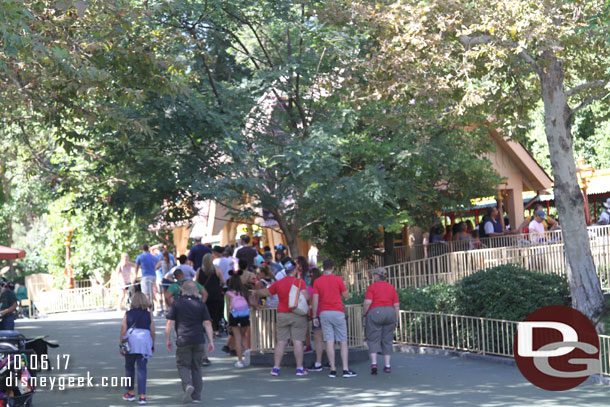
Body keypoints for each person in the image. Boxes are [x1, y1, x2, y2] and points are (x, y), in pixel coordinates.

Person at [252, 261, 310, 376]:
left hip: (282, 314)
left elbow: (267, 292)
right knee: (298, 341)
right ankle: (299, 368)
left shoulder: (279, 283)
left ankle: (276, 368)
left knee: (281, 342)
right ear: (294, 270)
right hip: (297, 314)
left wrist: (254, 291)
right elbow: (306, 296)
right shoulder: (299, 282)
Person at [165, 281, 214, 404]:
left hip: (183, 338)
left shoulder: (177, 304)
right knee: (197, 367)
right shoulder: (201, 305)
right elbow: (207, 323)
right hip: (198, 339)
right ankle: (197, 396)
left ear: (182, 291)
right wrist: (211, 341)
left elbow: (170, 322)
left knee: (183, 365)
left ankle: (187, 385)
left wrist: (168, 339)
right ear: (196, 291)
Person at [312, 259, 357, 378]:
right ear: (333, 267)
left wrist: (314, 316)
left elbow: (315, 299)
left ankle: (332, 369)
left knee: (329, 341)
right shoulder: (338, 279)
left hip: (324, 313)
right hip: (337, 312)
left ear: (323, 268)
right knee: (343, 341)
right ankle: (345, 369)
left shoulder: (317, 281)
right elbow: (346, 295)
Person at [120, 292, 154, 405]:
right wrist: (152, 344)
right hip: (144, 342)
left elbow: (123, 330)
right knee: (142, 369)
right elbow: (152, 330)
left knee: (129, 367)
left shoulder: (128, 314)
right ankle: (142, 396)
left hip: (131, 341)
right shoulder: (148, 315)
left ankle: (130, 392)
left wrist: (121, 344)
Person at [363, 268, 399, 375]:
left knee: (373, 338)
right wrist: (396, 319)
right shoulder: (391, 287)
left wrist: (365, 314)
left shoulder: (372, 287)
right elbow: (396, 305)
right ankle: (387, 365)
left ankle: (374, 364)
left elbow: (367, 302)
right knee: (387, 340)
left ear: (377, 276)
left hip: (376, 312)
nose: (373, 276)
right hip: (390, 312)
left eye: (374, 275)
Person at [225, 272, 254, 368]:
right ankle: (247, 350)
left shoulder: (228, 294)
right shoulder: (244, 291)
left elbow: (228, 308)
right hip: (245, 315)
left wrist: (228, 320)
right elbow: (250, 303)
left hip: (235, 316)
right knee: (244, 335)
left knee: (237, 338)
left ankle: (240, 361)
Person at [196, 254, 226, 339]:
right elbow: (223, 281)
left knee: (206, 312)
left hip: (204, 294)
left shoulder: (199, 270)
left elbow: (195, 281)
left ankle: (207, 328)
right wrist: (219, 285)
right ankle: (216, 330)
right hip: (216, 293)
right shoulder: (217, 270)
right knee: (215, 313)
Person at [306, 267, 326, 372]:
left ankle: (318, 363)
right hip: (327, 312)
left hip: (317, 314)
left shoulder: (311, 288)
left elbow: (309, 300)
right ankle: (329, 362)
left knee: (318, 339)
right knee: (328, 338)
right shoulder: (324, 285)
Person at [154, 249, 172, 315]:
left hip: (164, 278)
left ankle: (165, 308)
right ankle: (169, 307)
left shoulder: (162, 262)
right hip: (170, 279)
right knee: (169, 294)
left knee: (163, 294)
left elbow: (156, 268)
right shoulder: (171, 262)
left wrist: (159, 260)